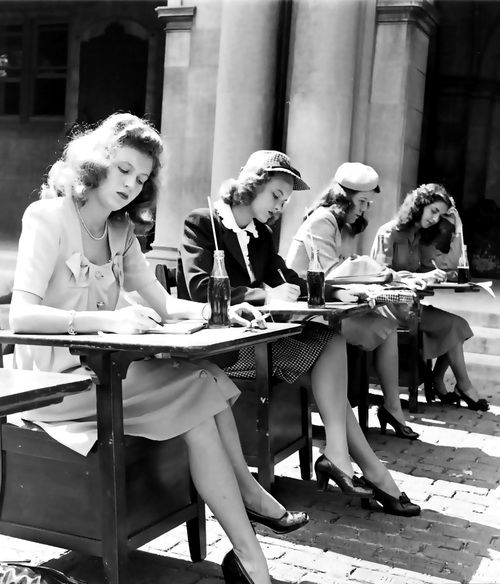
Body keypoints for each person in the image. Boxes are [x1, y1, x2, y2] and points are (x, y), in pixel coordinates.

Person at [6, 114, 309, 584]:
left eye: (142, 177)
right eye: (123, 169)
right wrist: (109, 320)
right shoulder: (47, 217)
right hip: (56, 384)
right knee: (197, 389)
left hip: (105, 372)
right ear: (95, 163)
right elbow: (21, 317)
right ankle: (250, 533)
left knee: (205, 377)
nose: (131, 184)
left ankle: (252, 554)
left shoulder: (122, 230)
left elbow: (164, 305)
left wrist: (221, 313)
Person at [177, 149, 421, 517]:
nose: (279, 207)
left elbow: (288, 278)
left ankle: (346, 458)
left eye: (285, 201)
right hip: (224, 349)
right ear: (251, 186)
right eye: (276, 196)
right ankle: (367, 470)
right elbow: (198, 288)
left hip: (262, 342)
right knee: (330, 357)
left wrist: (336, 291)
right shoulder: (202, 222)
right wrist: (263, 295)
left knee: (330, 344)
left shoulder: (260, 234)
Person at [286, 162, 419, 440]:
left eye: (369, 203)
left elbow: (344, 270)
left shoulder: (339, 222)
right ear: (342, 196)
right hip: (303, 310)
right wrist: (380, 272)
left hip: (328, 305)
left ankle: (391, 407)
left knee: (387, 324)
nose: (364, 208)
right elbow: (334, 272)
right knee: (385, 327)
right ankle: (384, 409)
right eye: (361, 201)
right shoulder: (323, 219)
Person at [371, 183, 489, 411]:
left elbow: (446, 263)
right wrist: (414, 276)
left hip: (411, 307)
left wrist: (457, 228)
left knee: (459, 325)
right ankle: (462, 385)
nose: (436, 219)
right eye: (433, 211)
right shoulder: (390, 232)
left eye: (440, 215)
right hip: (390, 309)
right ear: (419, 205)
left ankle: (439, 381)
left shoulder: (419, 236)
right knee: (456, 326)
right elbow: (377, 275)